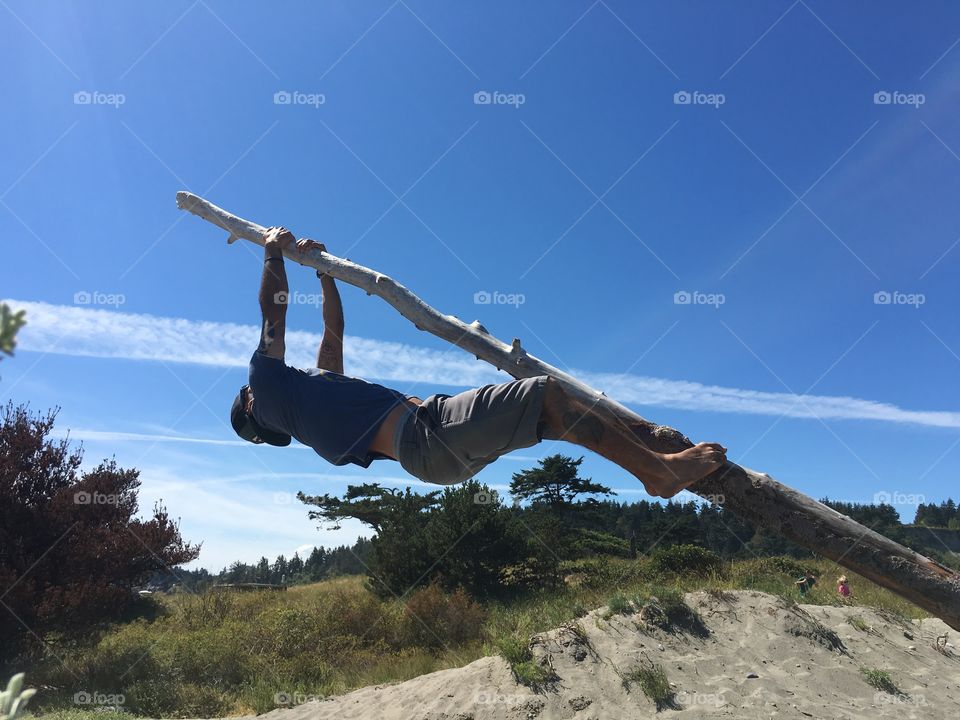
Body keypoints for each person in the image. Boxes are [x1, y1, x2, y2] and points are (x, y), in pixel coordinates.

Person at [230, 227, 728, 498]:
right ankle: (657, 473)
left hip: (435, 450)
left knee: (551, 417)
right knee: (547, 396)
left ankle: (649, 456)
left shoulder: (308, 413)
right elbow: (272, 313)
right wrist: (273, 253)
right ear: (251, 406)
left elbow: (331, 341)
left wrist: (324, 275)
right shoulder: (267, 387)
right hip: (429, 434)